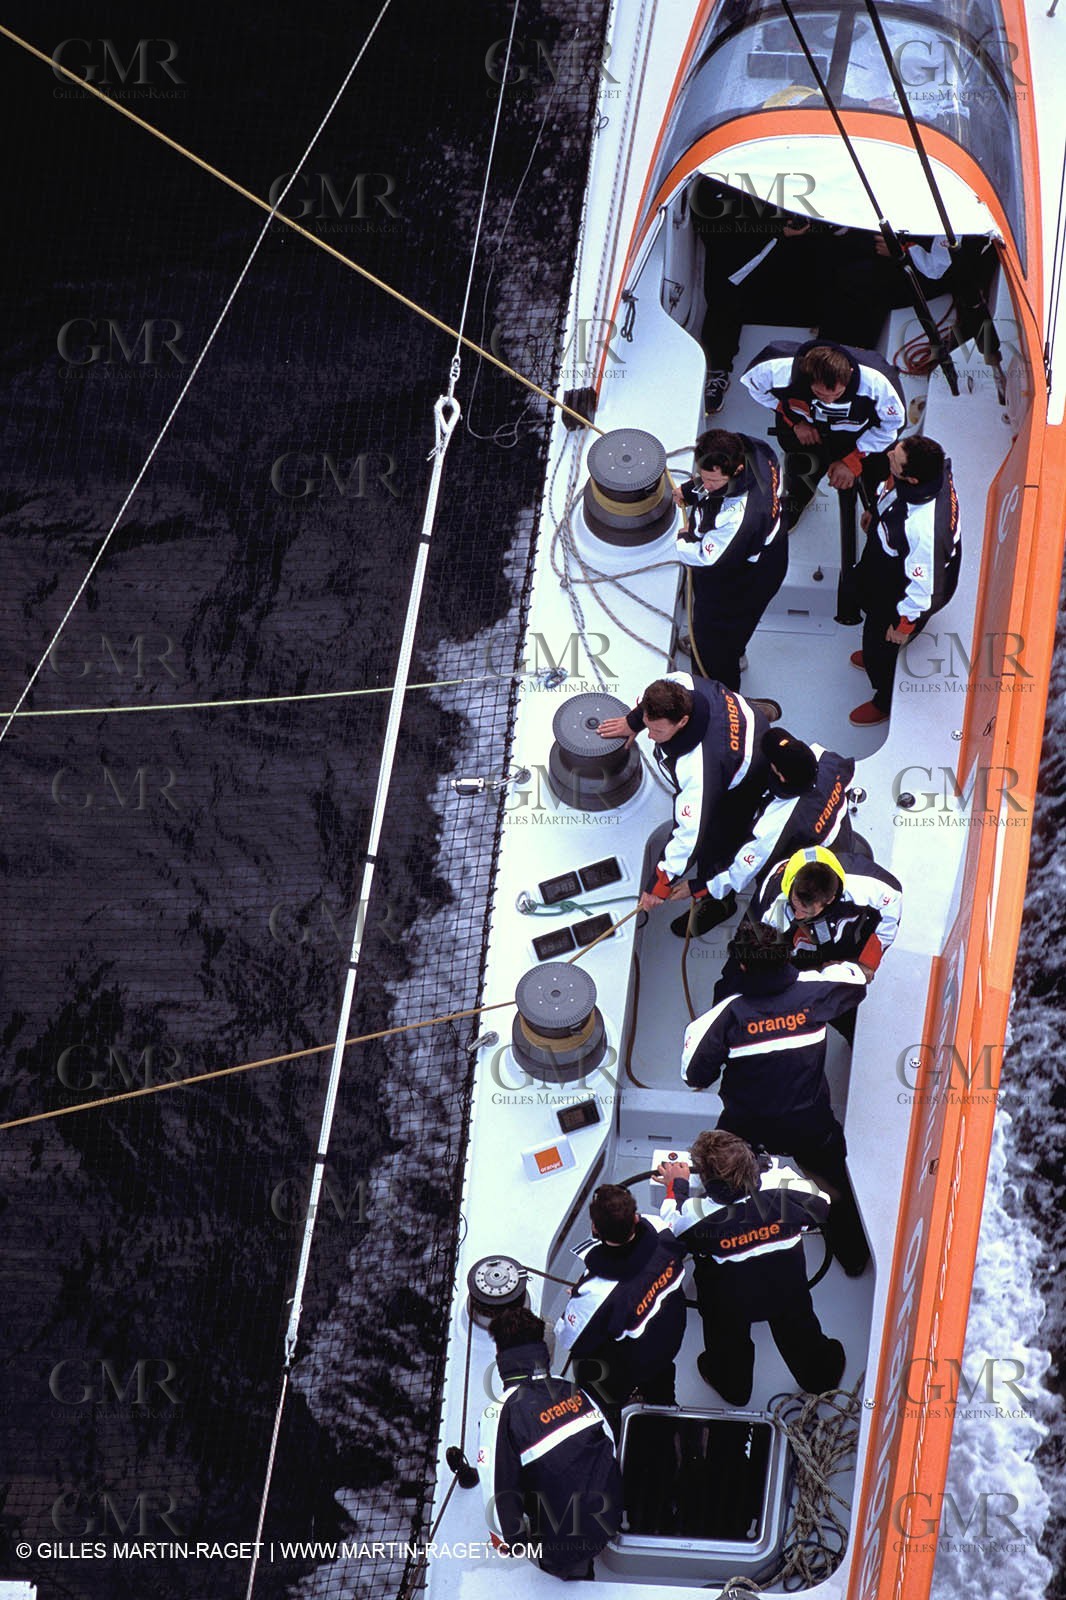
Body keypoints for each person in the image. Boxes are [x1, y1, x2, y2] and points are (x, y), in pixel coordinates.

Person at [681, 920, 870, 1275]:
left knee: (723, 1175)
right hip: (809, 1123)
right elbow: (857, 981)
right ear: (786, 955)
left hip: (745, 1128)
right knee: (833, 1188)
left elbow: (694, 1075)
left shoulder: (723, 1017)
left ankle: (731, 1246)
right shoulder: (817, 991)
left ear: (741, 966)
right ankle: (853, 1257)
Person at [657, 1131, 845, 1405]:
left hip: (729, 1300)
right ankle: (820, 1377)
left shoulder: (695, 1217)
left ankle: (733, 1388)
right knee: (800, 1331)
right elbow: (822, 1206)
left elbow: (671, 1230)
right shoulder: (786, 1188)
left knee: (726, 1345)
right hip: (787, 1288)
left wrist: (677, 1187)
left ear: (707, 1180)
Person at [597, 673, 772, 923]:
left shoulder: (697, 769)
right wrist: (633, 722)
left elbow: (689, 835)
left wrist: (658, 885)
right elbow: (646, 710)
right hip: (743, 719)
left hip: (748, 774)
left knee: (715, 841)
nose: (649, 735)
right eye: (647, 722)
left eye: (656, 730)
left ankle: (719, 904)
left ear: (682, 722)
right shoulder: (680, 682)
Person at [478, 1305, 623, 1579]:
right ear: (542, 1350)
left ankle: (569, 1572)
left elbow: (498, 1498)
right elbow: (610, 1446)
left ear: (501, 1358)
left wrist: (516, 1543)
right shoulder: (573, 1390)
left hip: (561, 1545)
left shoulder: (498, 1413)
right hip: (608, 1517)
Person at [669, 728, 854, 935]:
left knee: (768, 893)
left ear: (782, 777)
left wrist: (698, 886)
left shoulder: (774, 826)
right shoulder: (825, 758)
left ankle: (721, 907)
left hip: (813, 865)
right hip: (835, 833)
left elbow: (741, 870)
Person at [849, 434, 961, 726]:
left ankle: (884, 697)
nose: (888, 455)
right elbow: (891, 491)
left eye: (895, 459)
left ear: (911, 480)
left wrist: (904, 624)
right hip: (889, 562)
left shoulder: (923, 529)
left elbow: (925, 589)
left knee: (881, 642)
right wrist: (875, 514)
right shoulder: (933, 473)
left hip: (903, 589)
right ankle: (876, 652)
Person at [689, 175, 827, 413]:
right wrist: (776, 228)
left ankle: (829, 365)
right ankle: (718, 369)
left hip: (790, 243)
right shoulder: (714, 183)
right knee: (726, 294)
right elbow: (709, 220)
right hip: (747, 249)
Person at [740, 340, 905, 532]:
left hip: (860, 440)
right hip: (806, 436)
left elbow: (892, 426)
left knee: (878, 476)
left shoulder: (879, 383)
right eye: (819, 393)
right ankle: (796, 502)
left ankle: (877, 514)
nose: (828, 400)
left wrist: (853, 459)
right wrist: (794, 422)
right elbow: (755, 388)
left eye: (837, 394)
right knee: (800, 472)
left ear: (850, 374)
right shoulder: (774, 369)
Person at [554, 1184, 687, 1419]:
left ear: (595, 1229)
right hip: (671, 1337)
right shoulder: (661, 1231)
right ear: (635, 1218)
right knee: (661, 1382)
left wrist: (578, 1297)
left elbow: (567, 1339)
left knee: (588, 1371)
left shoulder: (595, 1294)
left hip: (633, 1361)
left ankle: (610, 1421)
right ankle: (665, 1410)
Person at [672, 429, 786, 690]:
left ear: (736, 470)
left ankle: (722, 697)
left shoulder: (740, 517)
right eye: (703, 477)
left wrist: (685, 537)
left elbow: (705, 558)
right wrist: (692, 490)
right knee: (735, 630)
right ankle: (736, 649)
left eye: (713, 481)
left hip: (745, 577)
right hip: (769, 553)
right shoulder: (754, 449)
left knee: (715, 646)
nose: (706, 483)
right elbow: (713, 484)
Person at [752, 844, 903, 975]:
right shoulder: (771, 907)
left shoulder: (866, 886)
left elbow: (892, 901)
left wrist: (868, 961)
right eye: (795, 904)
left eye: (805, 911)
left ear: (830, 899)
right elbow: (763, 954)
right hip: (792, 940)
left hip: (836, 922)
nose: (797, 915)